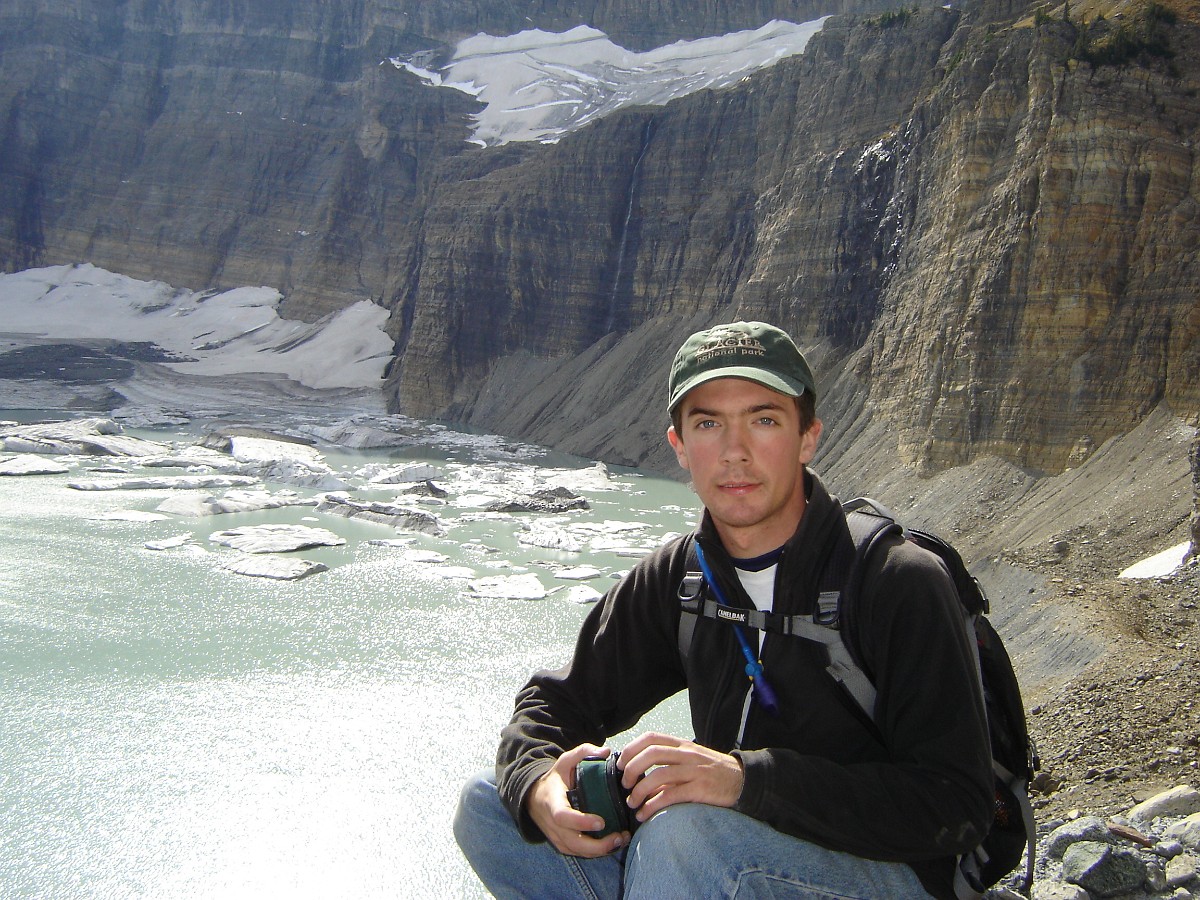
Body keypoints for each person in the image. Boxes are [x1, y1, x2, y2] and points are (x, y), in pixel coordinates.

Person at [454, 321, 993, 899]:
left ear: (807, 438)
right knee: (490, 806)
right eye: (709, 424)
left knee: (682, 837)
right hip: (722, 850)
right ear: (680, 446)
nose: (735, 452)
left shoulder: (893, 581)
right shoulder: (682, 578)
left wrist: (746, 782)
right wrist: (537, 783)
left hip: (887, 872)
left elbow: (957, 804)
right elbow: (557, 701)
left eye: (764, 421)